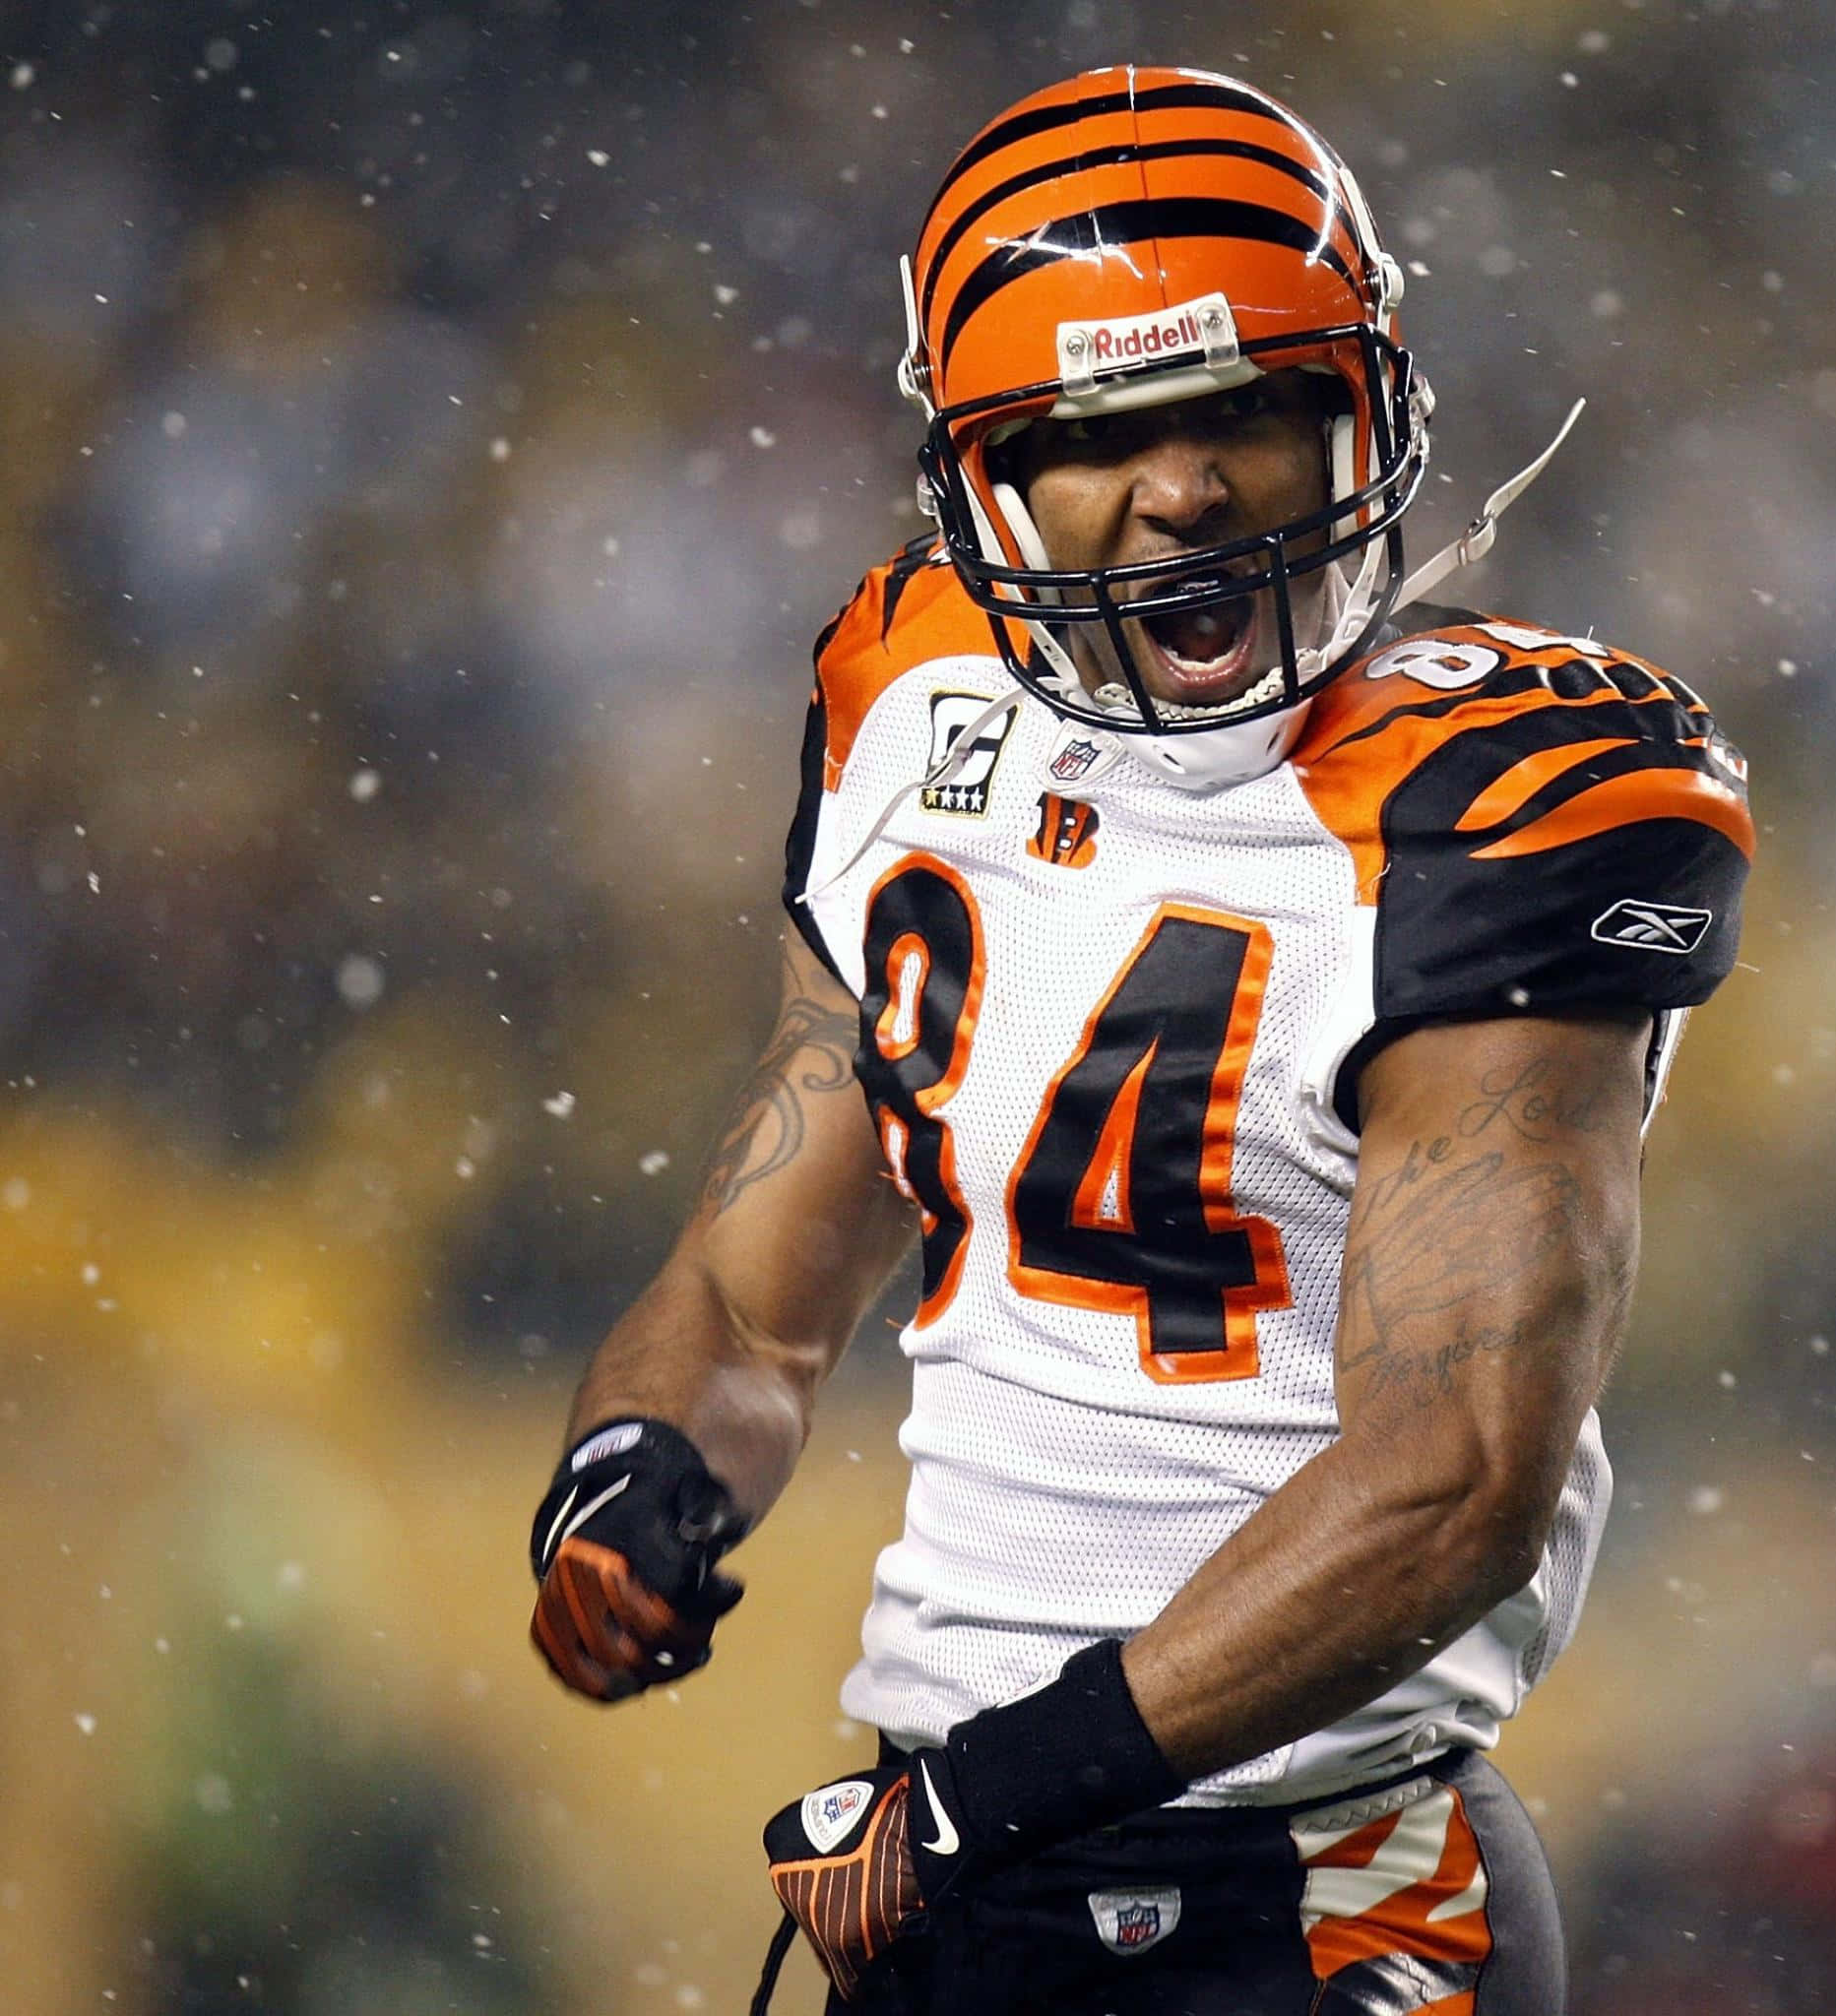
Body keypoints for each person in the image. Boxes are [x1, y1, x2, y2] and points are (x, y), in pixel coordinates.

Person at [526, 63, 1752, 2016]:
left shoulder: (1501, 801)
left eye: (1242, 408)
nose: (1182, 489)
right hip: (957, 1865)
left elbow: (1451, 1480)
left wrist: (987, 1798)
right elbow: (754, 1303)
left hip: (1318, 1891)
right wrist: (633, 1466)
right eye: (1101, 431)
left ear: (1357, 410)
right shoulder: (911, 704)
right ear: (985, 474)